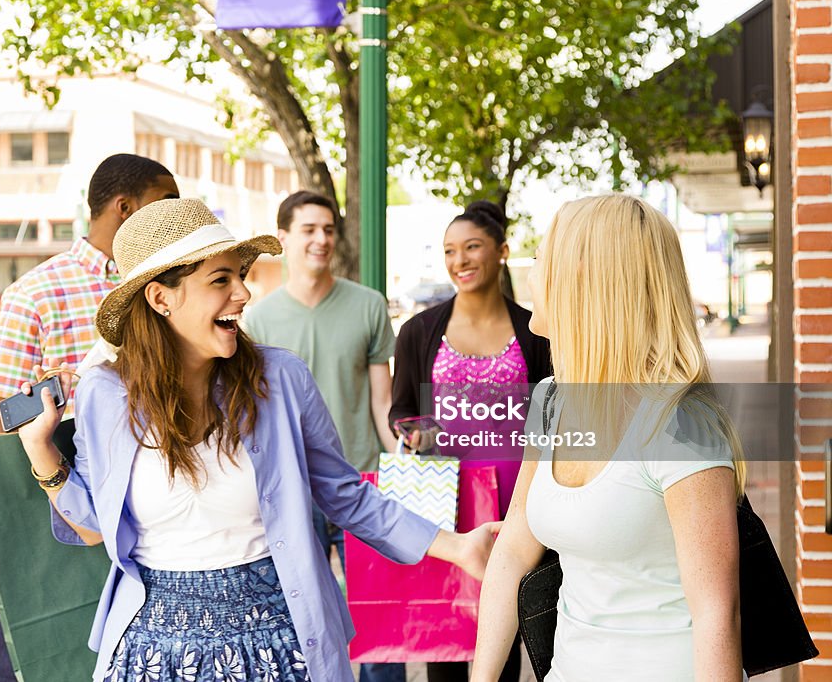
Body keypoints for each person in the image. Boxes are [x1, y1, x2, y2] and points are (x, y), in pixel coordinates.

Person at [15, 198, 496, 682]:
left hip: (280, 641)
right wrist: (41, 449)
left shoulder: (280, 378)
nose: (243, 293)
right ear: (162, 298)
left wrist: (456, 547)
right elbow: (98, 526)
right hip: (151, 651)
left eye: (240, 275)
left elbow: (345, 495)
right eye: (220, 280)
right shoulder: (106, 392)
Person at [471, 193, 744, 681]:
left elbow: (716, 616)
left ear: (585, 281)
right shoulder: (552, 400)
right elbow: (513, 549)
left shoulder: (680, 424)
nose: (530, 277)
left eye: (540, 261)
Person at [243, 190, 404, 682]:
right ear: (284, 239)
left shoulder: (369, 305)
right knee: (305, 622)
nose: (322, 239)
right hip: (291, 491)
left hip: (361, 482)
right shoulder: (257, 319)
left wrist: (400, 462)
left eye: (329, 229)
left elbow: (382, 402)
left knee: (380, 625)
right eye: (310, 229)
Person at [390, 200, 550, 682]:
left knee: (505, 631)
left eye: (472, 247)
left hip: (515, 509)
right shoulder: (419, 331)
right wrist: (418, 433)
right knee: (444, 635)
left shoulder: (535, 331)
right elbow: (402, 412)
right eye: (449, 251)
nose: (459, 260)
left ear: (501, 251)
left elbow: (554, 414)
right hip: (447, 504)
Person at [0, 153, 179, 434]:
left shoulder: (174, 281)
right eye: (167, 202)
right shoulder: (34, 293)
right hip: (72, 472)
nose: (175, 215)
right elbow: (1, 419)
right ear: (125, 206)